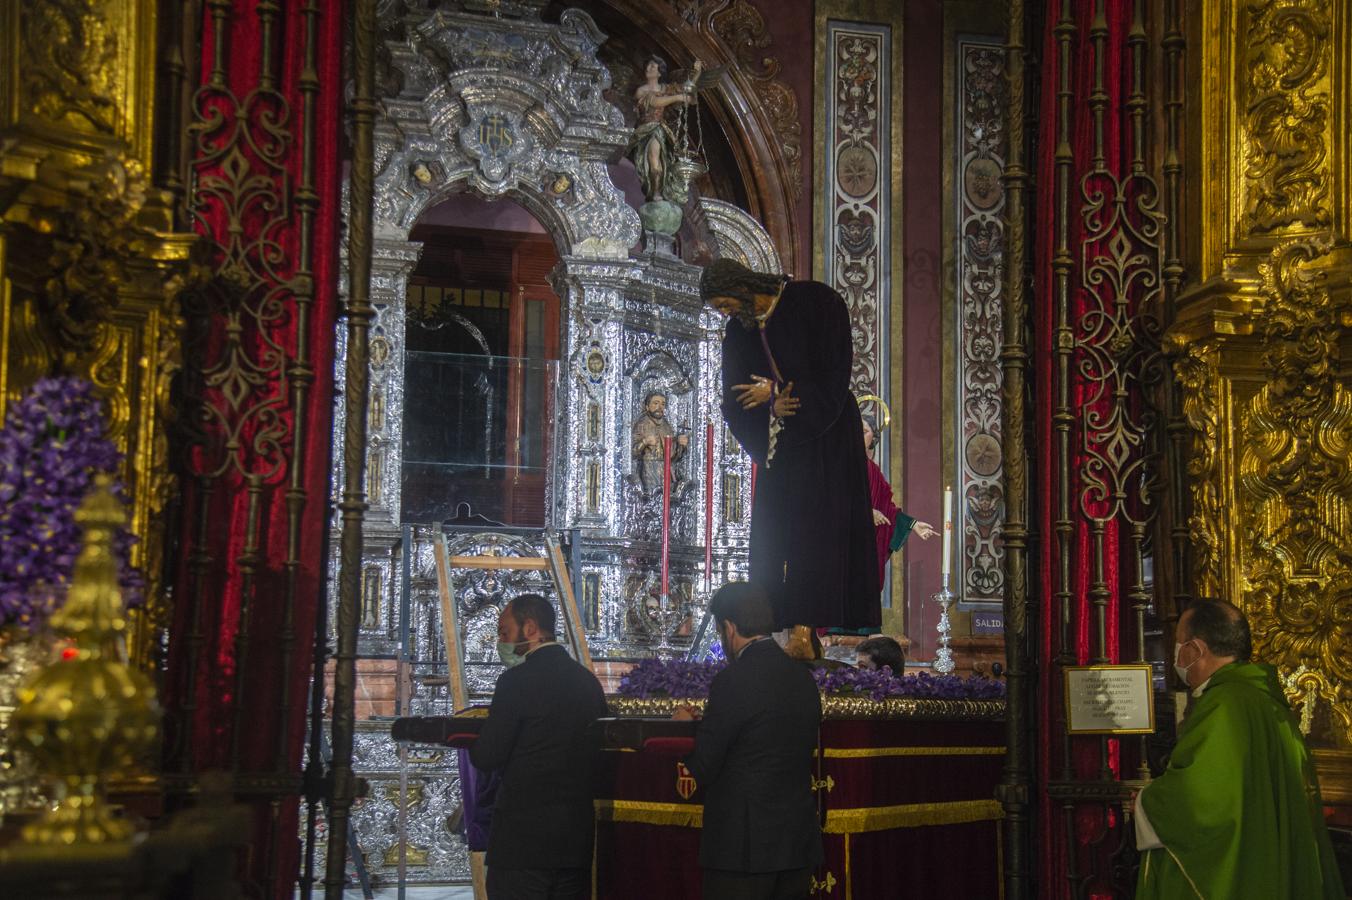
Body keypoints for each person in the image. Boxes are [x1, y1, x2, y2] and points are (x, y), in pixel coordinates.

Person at [701, 258, 878, 659]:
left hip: (826, 442)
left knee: (817, 536)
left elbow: (833, 375)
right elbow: (734, 396)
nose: (725, 314)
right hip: (779, 448)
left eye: (726, 303)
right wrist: (769, 409)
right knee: (774, 538)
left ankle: (806, 630)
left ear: (743, 287)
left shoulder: (817, 302)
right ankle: (773, 629)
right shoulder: (738, 330)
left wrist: (779, 391)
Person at [1133, 599, 1344, 899]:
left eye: (1179, 645)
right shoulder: (1263, 697)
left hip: (1244, 867)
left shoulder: (1224, 704)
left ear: (1195, 650)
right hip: (1266, 852)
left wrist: (1145, 802)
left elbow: (1198, 797)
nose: (1177, 656)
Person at [674, 582, 822, 900]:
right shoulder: (803, 678)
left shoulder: (733, 680)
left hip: (741, 849)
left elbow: (706, 763)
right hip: (796, 842)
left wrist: (684, 731)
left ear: (729, 627)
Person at [469, 594, 608, 900]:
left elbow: (488, 756)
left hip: (522, 843)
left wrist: (468, 738)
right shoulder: (588, 682)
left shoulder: (515, 682)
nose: (501, 641)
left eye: (505, 632)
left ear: (530, 628)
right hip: (574, 842)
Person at [860, 413, 936, 590]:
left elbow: (888, 513)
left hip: (865, 552)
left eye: (864, 431)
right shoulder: (839, 466)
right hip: (842, 549)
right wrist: (866, 512)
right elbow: (830, 505)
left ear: (873, 439)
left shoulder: (874, 473)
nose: (857, 434)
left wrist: (913, 524)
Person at [629, 56, 700, 204]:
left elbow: (687, 88)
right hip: (644, 131)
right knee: (647, 162)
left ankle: (657, 190)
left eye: (653, 67)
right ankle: (651, 189)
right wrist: (679, 97)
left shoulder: (666, 89)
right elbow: (655, 102)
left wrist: (697, 74)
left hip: (659, 129)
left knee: (659, 160)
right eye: (648, 66)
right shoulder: (641, 91)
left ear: (659, 73)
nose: (648, 69)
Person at [630, 390, 688, 498]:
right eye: (655, 403)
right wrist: (644, 442)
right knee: (652, 499)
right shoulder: (642, 424)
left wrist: (680, 445)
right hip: (648, 470)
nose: (660, 407)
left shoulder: (666, 426)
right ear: (647, 406)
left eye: (662, 404)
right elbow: (631, 452)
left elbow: (673, 456)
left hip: (666, 471)